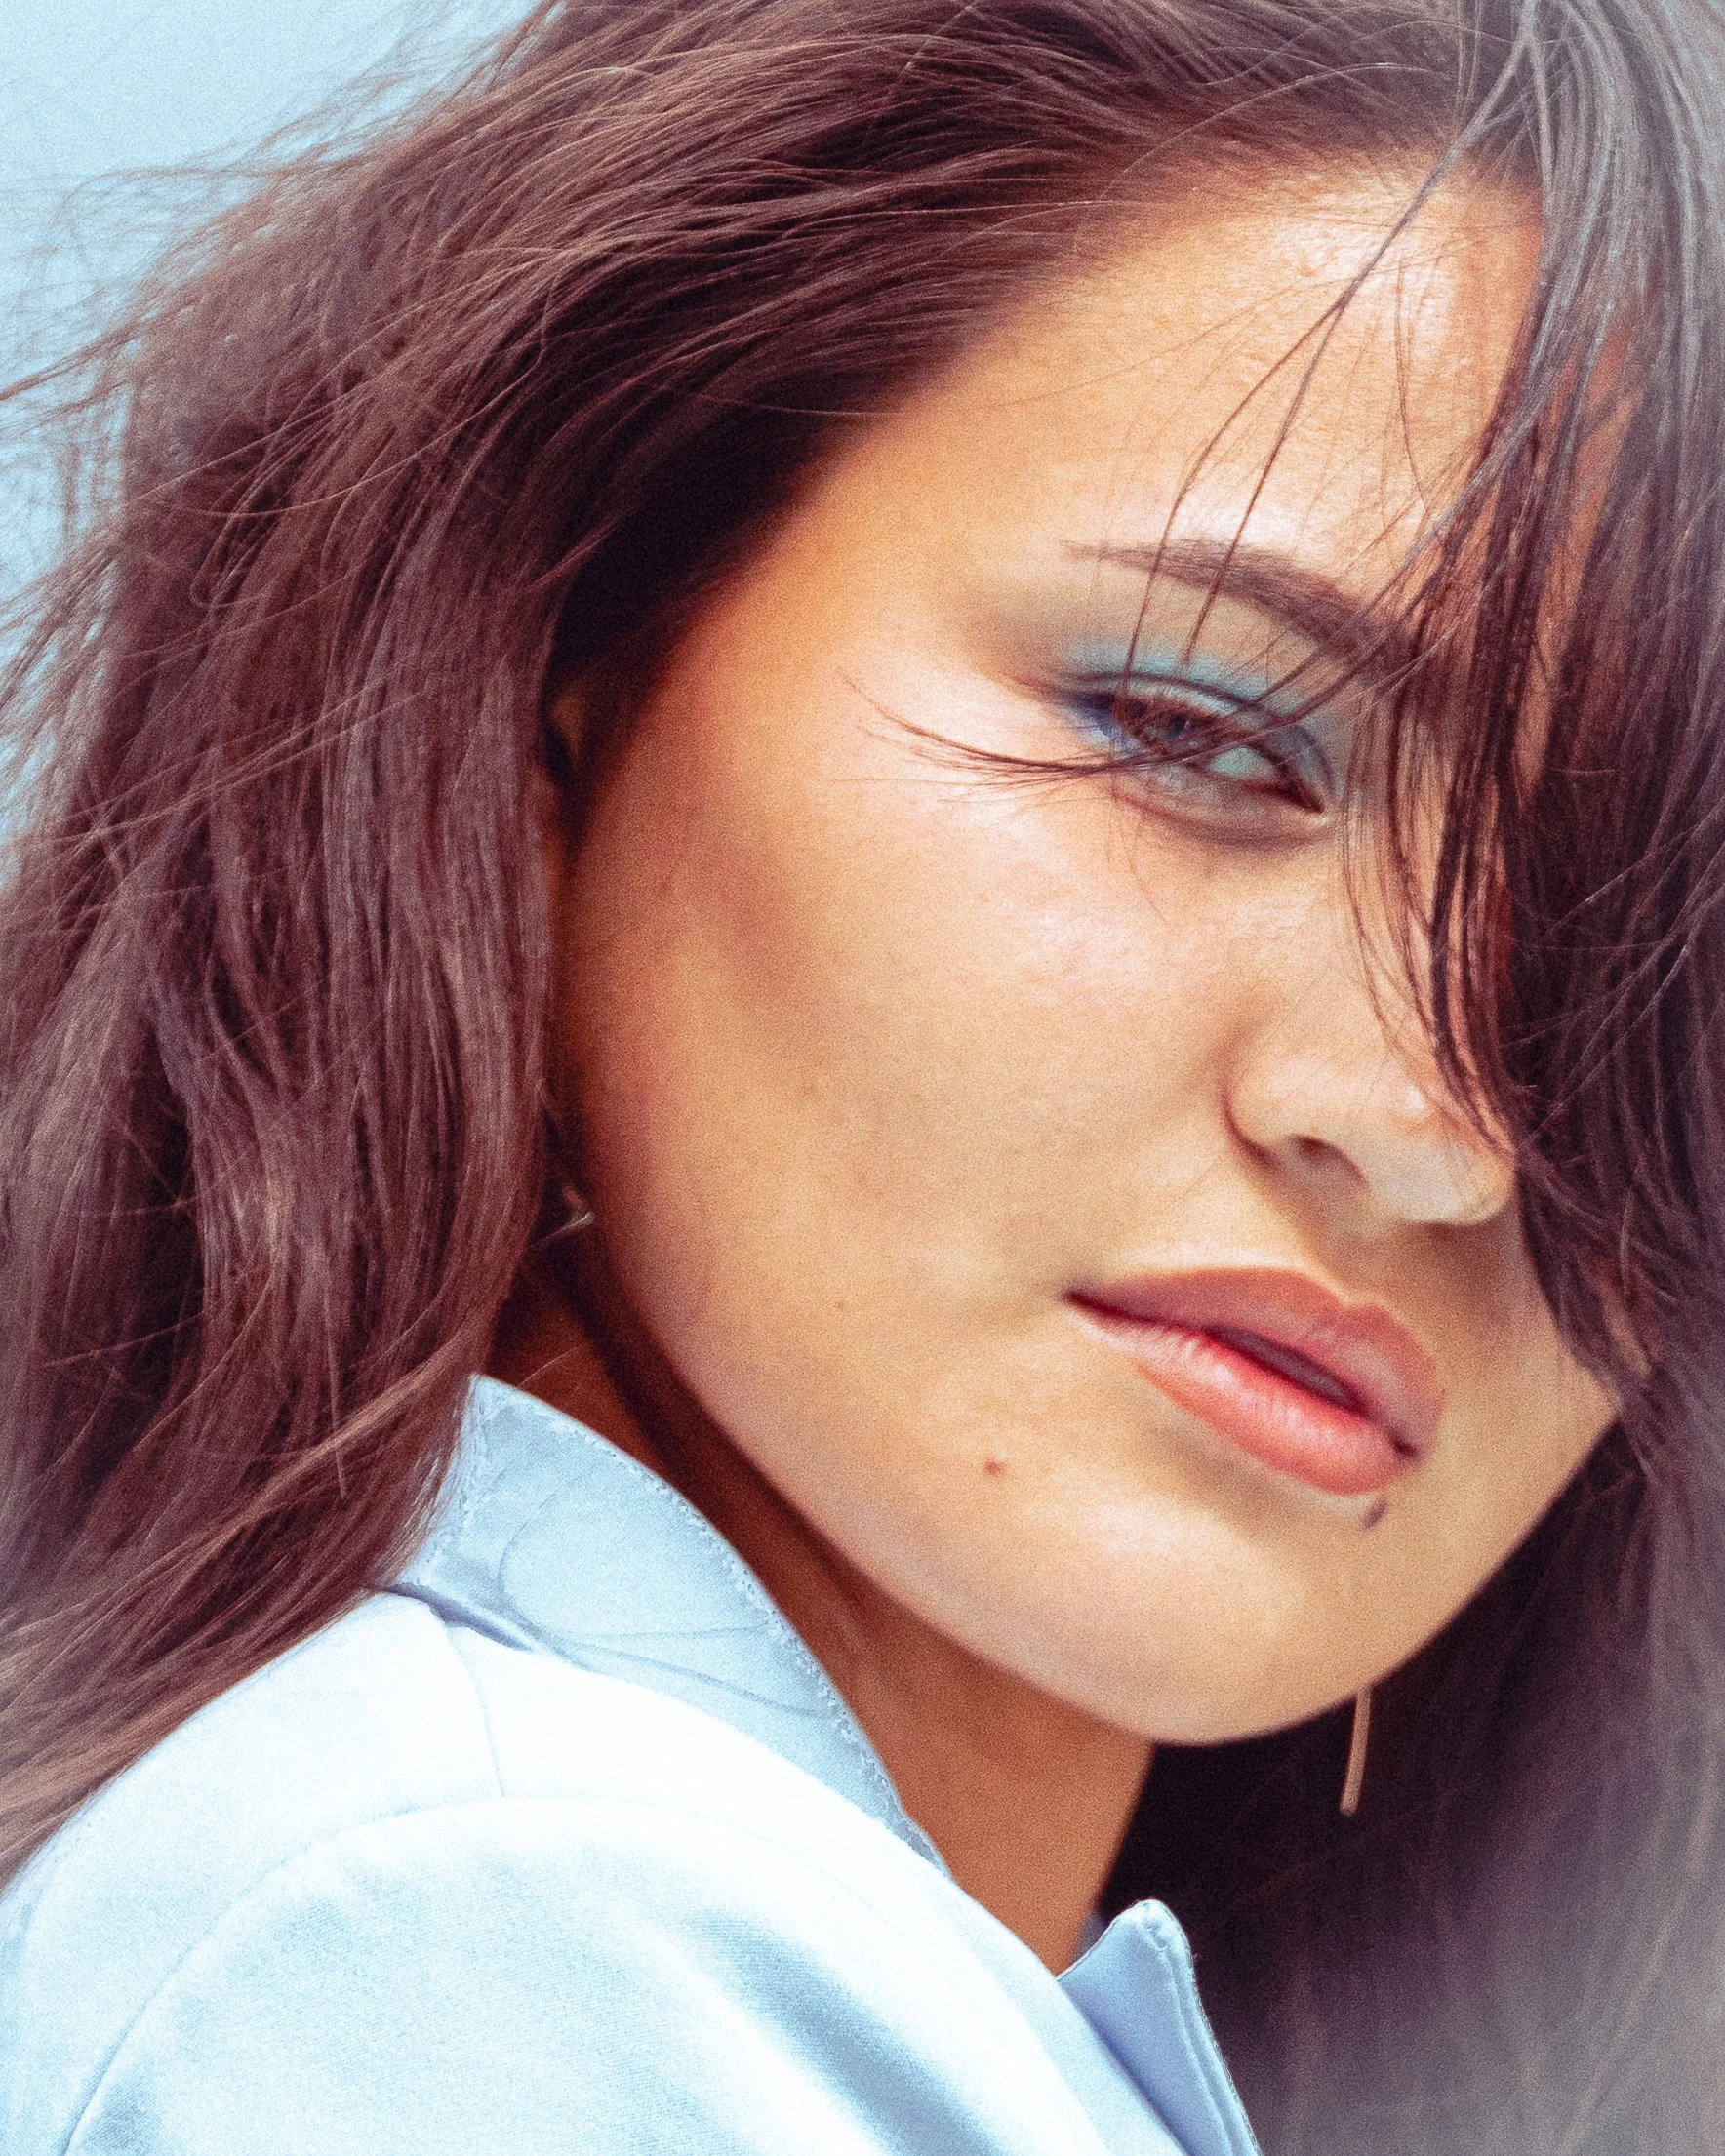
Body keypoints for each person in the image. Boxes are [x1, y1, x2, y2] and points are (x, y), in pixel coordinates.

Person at [2, 0, 1723, 2148]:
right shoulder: (505, 1939)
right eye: (1193, 734)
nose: (1438, 1127)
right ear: (564, 663)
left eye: (1647, 950)